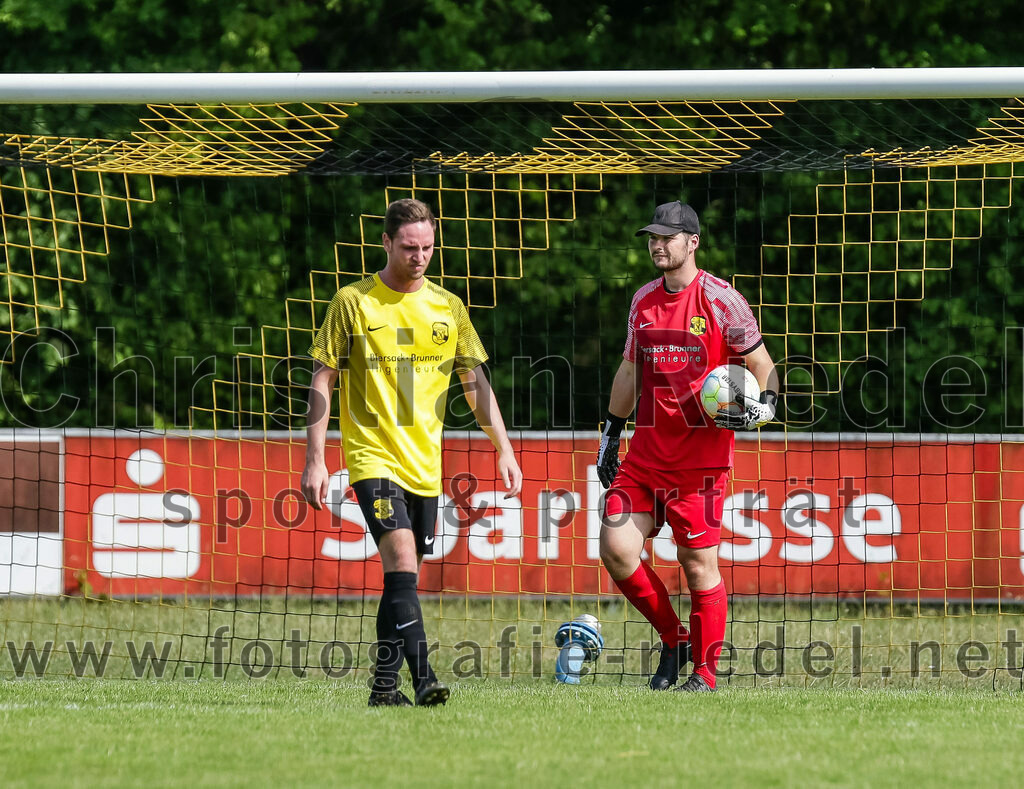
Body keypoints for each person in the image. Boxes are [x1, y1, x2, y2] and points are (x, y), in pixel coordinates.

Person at [301, 198, 523, 707]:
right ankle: (424, 678)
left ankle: (383, 689)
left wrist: (505, 449)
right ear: (385, 243)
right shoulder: (353, 301)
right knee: (400, 556)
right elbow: (323, 377)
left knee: (402, 577)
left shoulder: (449, 307)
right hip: (371, 455)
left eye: (427, 247)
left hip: (425, 465)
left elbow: (474, 381)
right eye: (408, 247)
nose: (419, 256)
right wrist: (315, 457)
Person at [596, 201, 778, 693]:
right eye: (652, 237)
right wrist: (612, 431)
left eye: (667, 237)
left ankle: (704, 674)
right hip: (645, 459)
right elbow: (630, 371)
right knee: (615, 546)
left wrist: (766, 405)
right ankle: (675, 640)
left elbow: (761, 365)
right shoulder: (643, 301)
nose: (657, 244)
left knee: (698, 567)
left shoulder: (722, 300)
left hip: (700, 465)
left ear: (691, 242)